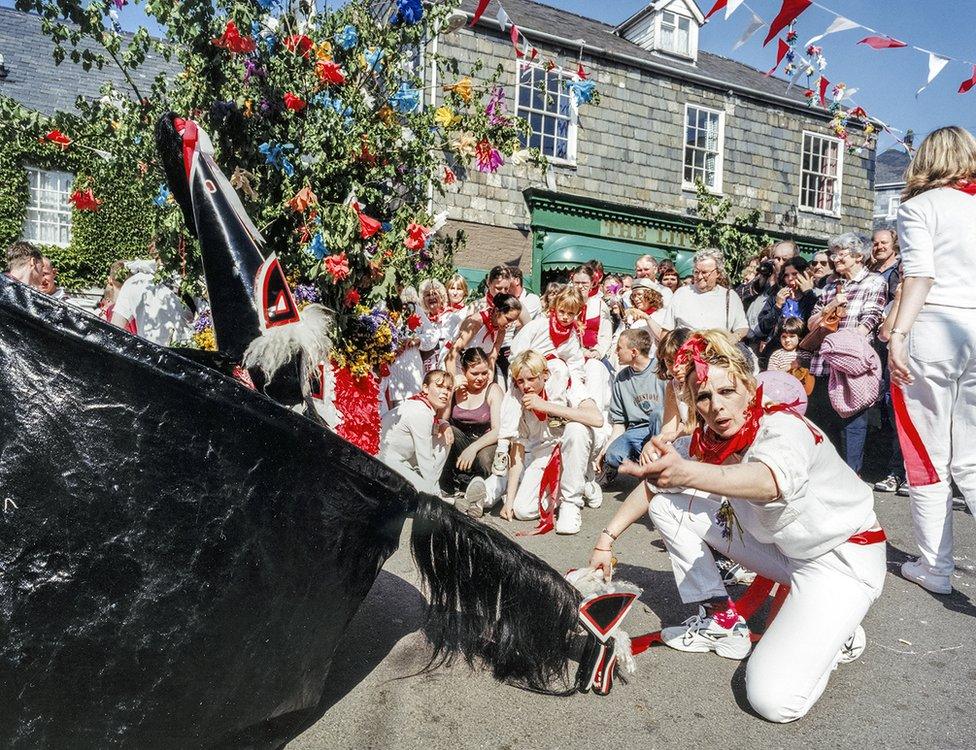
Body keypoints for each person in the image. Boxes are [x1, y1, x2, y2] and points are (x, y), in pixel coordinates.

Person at [589, 331, 885, 723]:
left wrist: (690, 472)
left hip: (841, 561)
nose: (716, 406)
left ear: (749, 385)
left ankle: (840, 635)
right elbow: (652, 485)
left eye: (727, 391)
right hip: (785, 551)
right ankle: (720, 619)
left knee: (772, 700)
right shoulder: (708, 440)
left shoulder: (783, 426)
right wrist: (605, 540)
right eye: (705, 397)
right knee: (668, 504)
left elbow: (769, 480)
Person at [888, 126, 976, 595]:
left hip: (935, 328)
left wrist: (898, 334)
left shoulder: (918, 207)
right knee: (973, 460)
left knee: (927, 455)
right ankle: (935, 565)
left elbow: (919, 275)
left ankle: (936, 567)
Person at [805, 233, 887, 474]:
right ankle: (826, 479)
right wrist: (831, 305)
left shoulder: (873, 282)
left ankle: (852, 479)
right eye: (834, 253)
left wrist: (842, 344)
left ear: (858, 256)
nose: (834, 258)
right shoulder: (830, 286)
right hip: (822, 365)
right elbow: (811, 324)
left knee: (852, 427)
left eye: (840, 253)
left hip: (851, 368)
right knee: (823, 428)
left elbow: (869, 321)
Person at [499, 350, 604, 535]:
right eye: (521, 381)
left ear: (545, 375)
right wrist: (509, 501)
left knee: (575, 429)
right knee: (523, 510)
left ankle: (571, 502)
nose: (526, 386)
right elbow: (518, 449)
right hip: (544, 454)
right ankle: (578, 484)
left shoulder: (566, 382)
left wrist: (546, 406)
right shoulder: (516, 398)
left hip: (573, 446)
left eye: (531, 379)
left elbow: (596, 419)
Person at [440, 348, 504, 516]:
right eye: (475, 373)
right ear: (464, 371)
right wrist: (451, 391)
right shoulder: (457, 388)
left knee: (483, 458)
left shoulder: (493, 389)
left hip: (486, 442)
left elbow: (498, 430)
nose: (481, 378)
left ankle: (477, 490)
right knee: (448, 430)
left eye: (484, 373)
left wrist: (472, 448)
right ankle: (446, 487)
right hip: (460, 442)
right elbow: (443, 419)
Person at [595, 328, 666, 476]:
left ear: (633, 352)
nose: (616, 352)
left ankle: (658, 465)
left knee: (657, 414)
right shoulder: (621, 379)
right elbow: (619, 424)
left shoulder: (661, 370)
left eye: (619, 348)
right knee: (612, 456)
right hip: (636, 430)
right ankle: (645, 465)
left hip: (661, 427)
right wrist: (606, 449)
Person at [379, 369, 454, 497]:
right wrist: (435, 496)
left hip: (401, 458)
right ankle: (434, 494)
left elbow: (434, 424)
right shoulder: (420, 412)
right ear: (425, 388)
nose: (445, 392)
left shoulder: (421, 405)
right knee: (425, 493)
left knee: (444, 439)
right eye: (439, 386)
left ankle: (426, 483)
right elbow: (425, 458)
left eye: (448, 388)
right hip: (385, 462)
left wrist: (444, 423)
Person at [654, 249, 749, 341]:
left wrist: (733, 338)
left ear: (718, 273)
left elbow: (742, 327)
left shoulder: (730, 296)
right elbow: (667, 330)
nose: (699, 277)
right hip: (685, 353)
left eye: (704, 273)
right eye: (696, 272)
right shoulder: (681, 293)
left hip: (716, 354)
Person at [110, 259, 192, 346]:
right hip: (188, 341)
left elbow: (115, 329)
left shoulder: (129, 285)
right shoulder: (160, 277)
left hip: (157, 349)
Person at [444, 293, 522, 375]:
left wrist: (489, 383)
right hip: (452, 367)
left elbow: (492, 359)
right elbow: (450, 357)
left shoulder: (501, 330)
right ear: (496, 311)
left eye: (513, 321)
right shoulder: (476, 323)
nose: (510, 325)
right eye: (508, 319)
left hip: (476, 372)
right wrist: (454, 381)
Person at [754, 256, 817, 353]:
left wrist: (808, 293)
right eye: (786, 275)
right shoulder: (777, 296)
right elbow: (763, 327)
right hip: (776, 351)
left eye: (795, 274)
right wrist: (778, 306)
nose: (790, 278)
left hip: (802, 353)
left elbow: (814, 324)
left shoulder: (811, 297)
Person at [417, 278, 451, 372]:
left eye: (435, 294)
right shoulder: (421, 321)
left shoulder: (451, 317)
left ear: (442, 297)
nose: (431, 297)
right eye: (427, 295)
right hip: (428, 370)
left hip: (446, 368)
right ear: (423, 300)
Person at [870, 228, 901, 302]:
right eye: (875, 244)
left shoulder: (900, 270)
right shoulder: (868, 271)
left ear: (894, 245)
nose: (879, 247)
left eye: (884, 243)